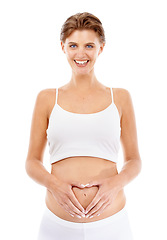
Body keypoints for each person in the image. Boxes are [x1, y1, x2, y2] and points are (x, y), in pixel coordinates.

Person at [25, 12, 141, 240]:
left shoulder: (120, 98)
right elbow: (32, 162)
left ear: (101, 48)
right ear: (63, 47)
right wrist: (55, 186)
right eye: (73, 45)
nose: (81, 53)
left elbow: (134, 160)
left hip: (112, 224)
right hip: (57, 225)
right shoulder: (47, 98)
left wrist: (114, 185)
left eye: (89, 45)